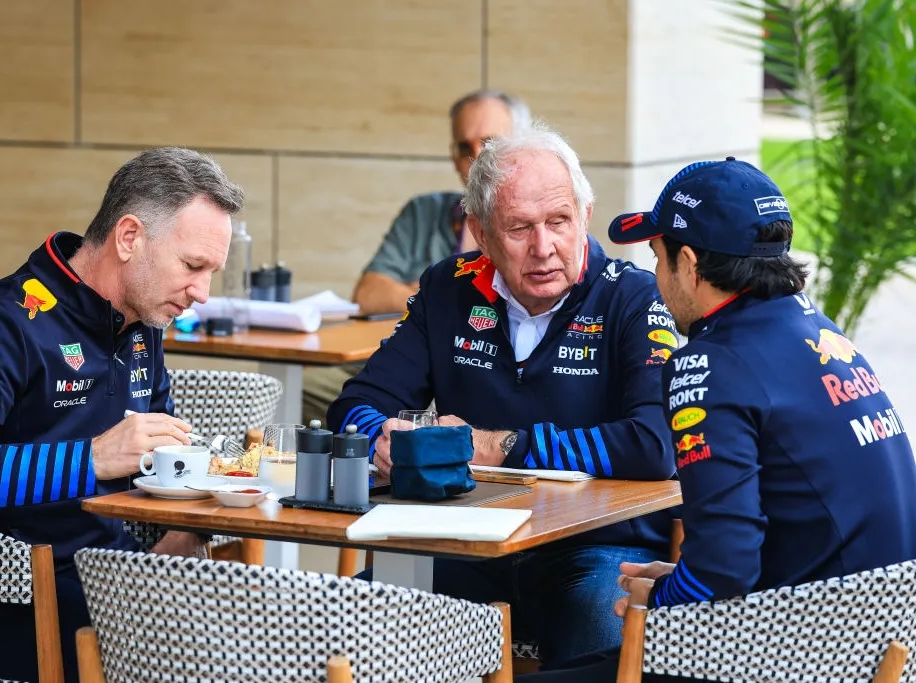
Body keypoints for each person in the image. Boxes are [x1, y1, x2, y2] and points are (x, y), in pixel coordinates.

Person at [524, 157, 916, 682]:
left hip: (784, 654)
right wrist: (685, 578)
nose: (656, 278)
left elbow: (725, 569)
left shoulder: (711, 364)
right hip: (865, 649)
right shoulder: (821, 334)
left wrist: (666, 593)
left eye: (657, 257)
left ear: (688, 263)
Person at [327, 125, 678, 668]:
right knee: (355, 626)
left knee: (599, 631)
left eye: (558, 222)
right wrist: (383, 438)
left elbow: (655, 444)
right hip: (464, 539)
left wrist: (499, 446)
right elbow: (353, 404)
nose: (544, 248)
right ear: (481, 233)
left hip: (597, 548)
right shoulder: (449, 287)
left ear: (585, 215)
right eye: (519, 228)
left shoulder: (633, 297)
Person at [0, 147, 245, 682]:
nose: (202, 292)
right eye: (193, 266)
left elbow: (159, 460)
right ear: (129, 237)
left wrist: (188, 526)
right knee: (223, 656)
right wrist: (92, 458)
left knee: (264, 625)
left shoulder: (140, 327)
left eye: (211, 273)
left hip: (102, 576)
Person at [301, 89, 530, 422]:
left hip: (484, 376)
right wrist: (440, 302)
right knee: (300, 389)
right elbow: (368, 295)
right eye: (464, 147)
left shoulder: (538, 232)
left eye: (490, 143)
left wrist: (425, 298)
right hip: (404, 365)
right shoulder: (424, 212)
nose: (477, 156)